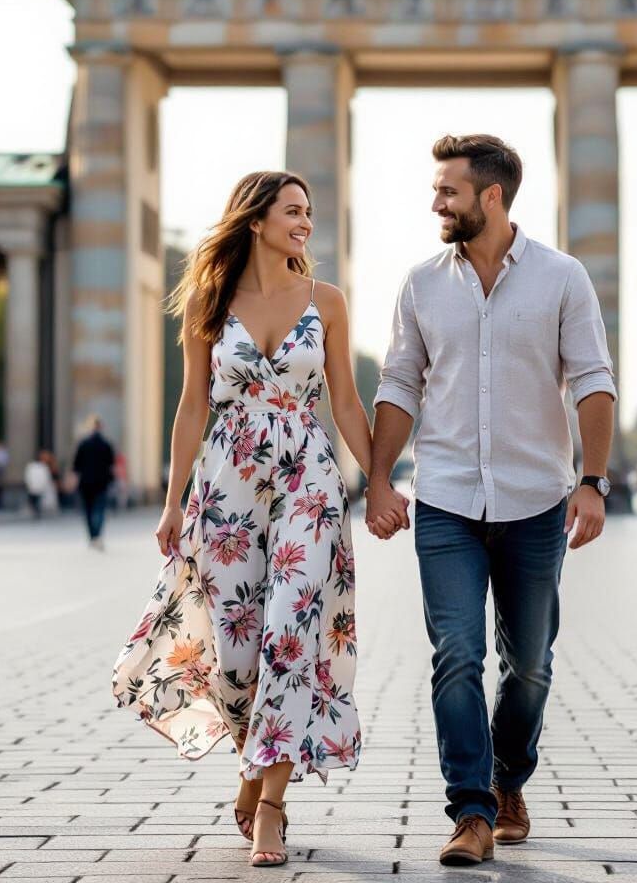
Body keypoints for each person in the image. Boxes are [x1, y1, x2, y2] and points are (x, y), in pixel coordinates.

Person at [111, 171, 392, 870]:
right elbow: (190, 406)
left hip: (308, 481)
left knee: (293, 634)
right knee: (236, 657)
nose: (306, 223)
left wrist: (380, 480)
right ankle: (253, 764)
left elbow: (349, 405)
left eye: (309, 211)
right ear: (256, 219)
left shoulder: (326, 302)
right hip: (227, 488)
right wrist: (174, 501)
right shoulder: (208, 301)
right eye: (293, 211)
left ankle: (272, 806)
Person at [368, 134, 616, 867]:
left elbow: (594, 380)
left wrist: (594, 482)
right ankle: (471, 810)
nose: (435, 202)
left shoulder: (562, 278)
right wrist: (380, 480)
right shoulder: (421, 283)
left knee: (531, 663)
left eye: (447, 190)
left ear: (492, 196)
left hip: (536, 500)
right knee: (457, 655)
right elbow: (398, 385)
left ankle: (511, 779)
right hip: (444, 498)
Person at [72, 416, 115, 549]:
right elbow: (111, 463)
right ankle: (96, 535)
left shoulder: (83, 443)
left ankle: (92, 536)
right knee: (100, 510)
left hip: (86, 483)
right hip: (102, 482)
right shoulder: (106, 444)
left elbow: (76, 465)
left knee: (88, 510)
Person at [23, 452, 57, 518]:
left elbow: (46, 477)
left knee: (38, 500)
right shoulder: (34, 466)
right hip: (34, 487)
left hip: (38, 487)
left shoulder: (44, 467)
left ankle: (36, 511)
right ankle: (34, 511)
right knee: (33, 500)